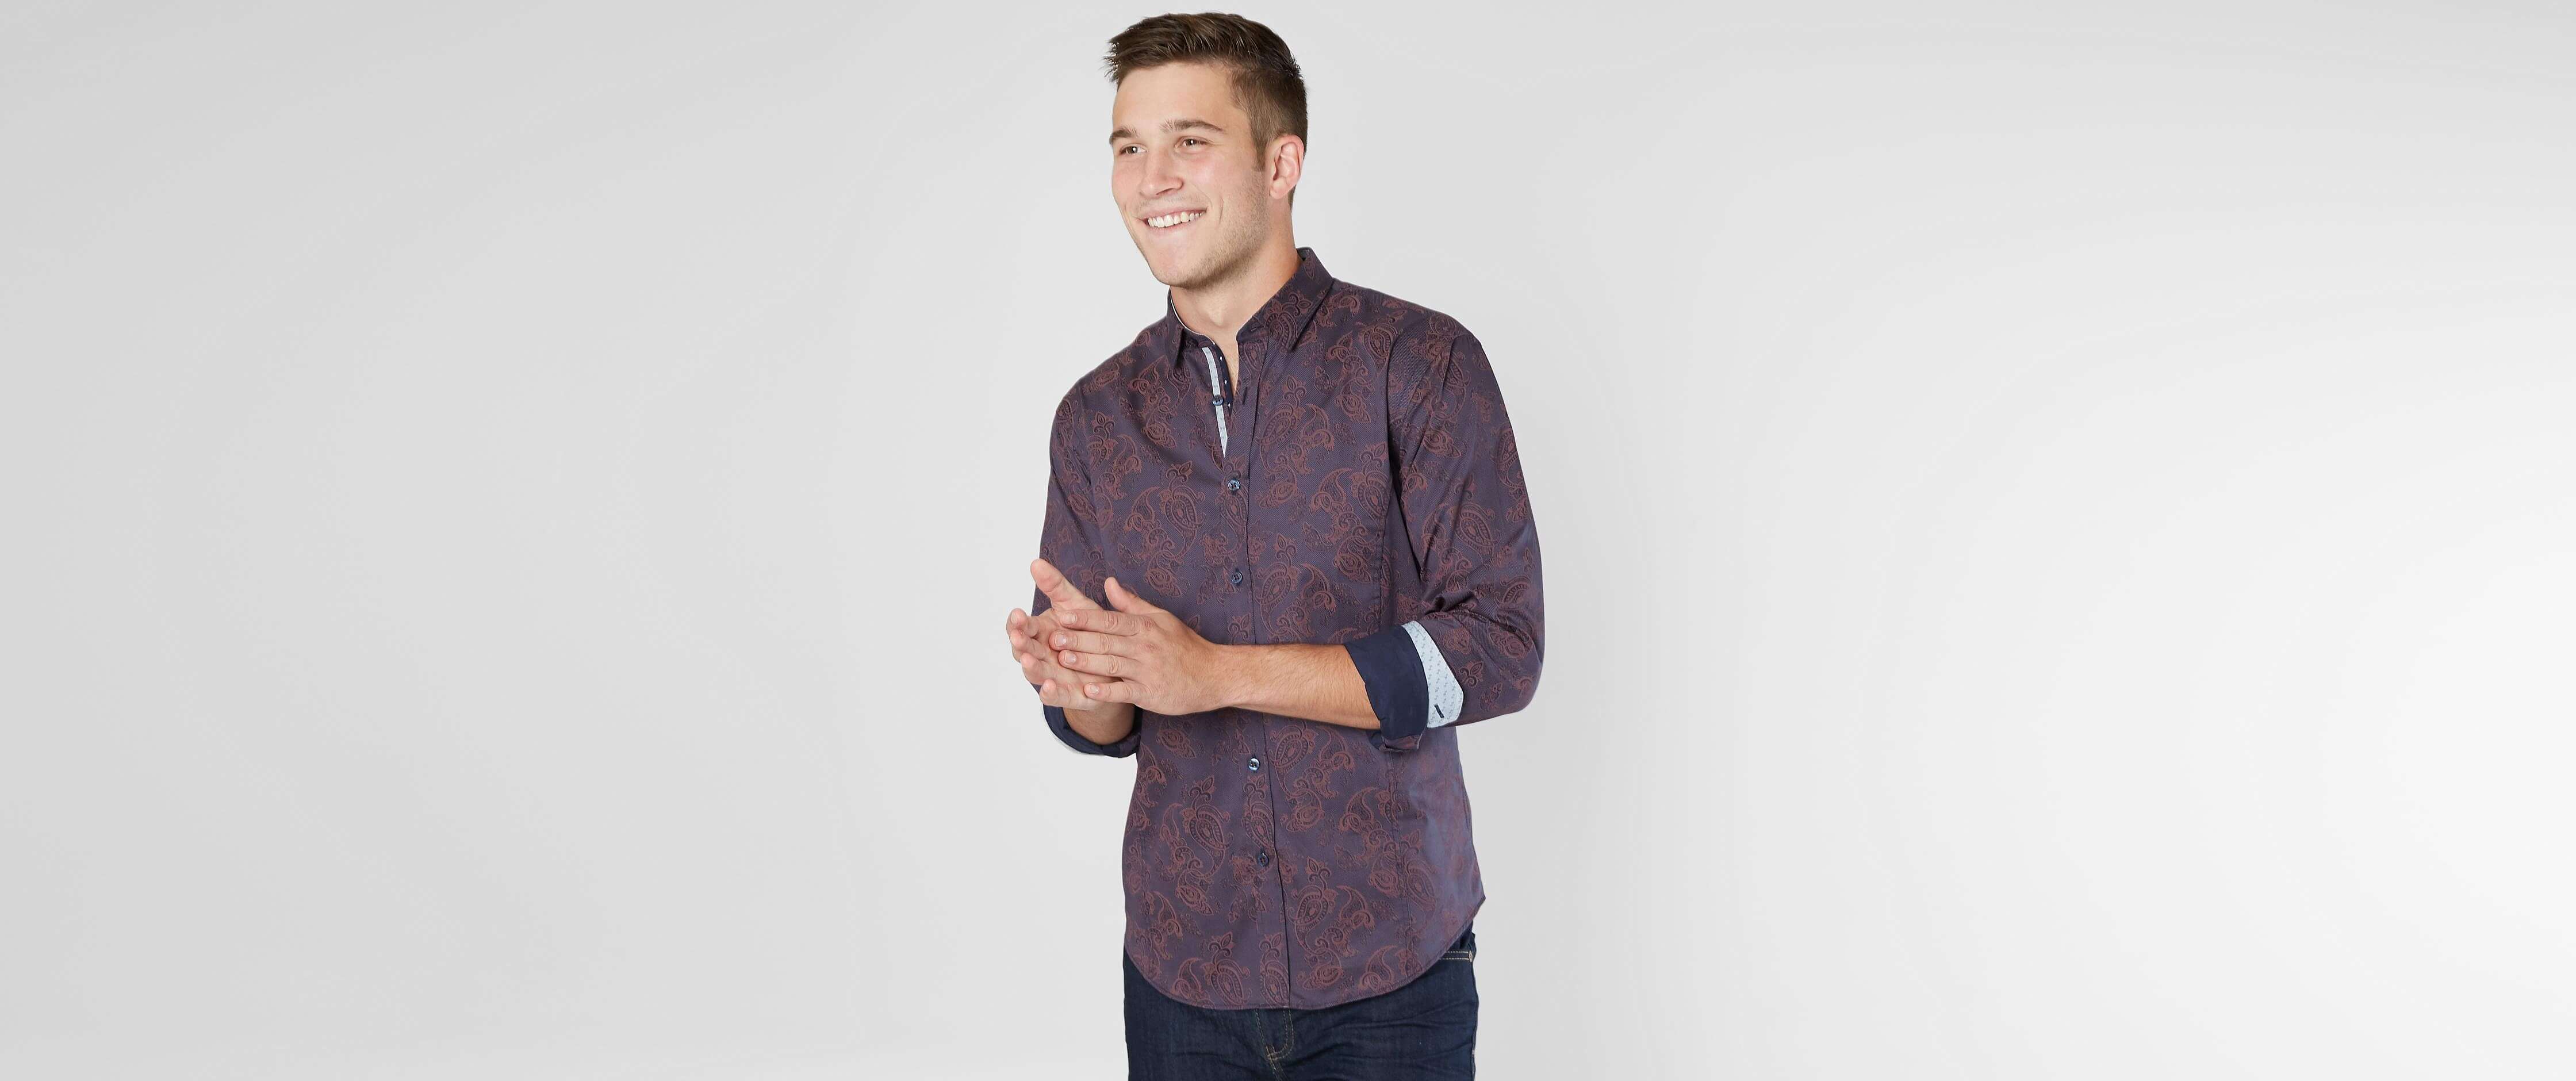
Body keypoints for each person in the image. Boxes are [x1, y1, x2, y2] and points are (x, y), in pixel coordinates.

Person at [1000, 13, 1545, 1079]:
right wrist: (1083, 683)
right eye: (1128, 146)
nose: (1152, 177)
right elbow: (1102, 724)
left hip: (1392, 971)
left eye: (1191, 140)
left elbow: (1500, 650)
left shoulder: (1418, 364)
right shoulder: (1096, 418)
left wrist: (1214, 674)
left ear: (1282, 163)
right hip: (1182, 976)